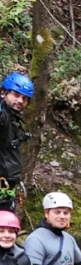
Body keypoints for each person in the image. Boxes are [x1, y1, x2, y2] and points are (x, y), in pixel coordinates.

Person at [0, 72, 32, 213]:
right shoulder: (3, 116)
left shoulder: (13, 118)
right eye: (16, 95)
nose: (20, 101)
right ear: (3, 93)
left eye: (24, 98)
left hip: (7, 182)